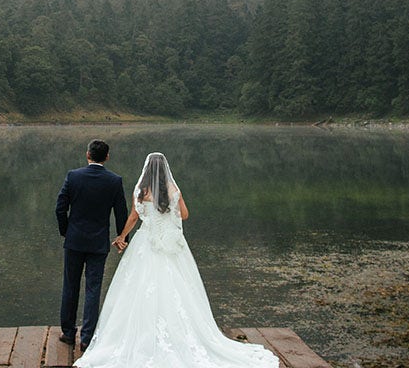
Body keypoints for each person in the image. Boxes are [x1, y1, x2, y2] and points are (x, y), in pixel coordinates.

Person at [74, 153, 278, 368]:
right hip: (170, 244)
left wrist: (122, 236)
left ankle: (137, 334)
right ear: (165, 170)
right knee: (177, 287)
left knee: (138, 286)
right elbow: (185, 215)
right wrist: (169, 214)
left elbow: (134, 217)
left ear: (147, 170)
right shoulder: (173, 190)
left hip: (146, 242)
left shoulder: (141, 190)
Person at [56, 139, 128, 351]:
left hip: (74, 240)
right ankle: (87, 338)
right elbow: (121, 212)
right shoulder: (114, 181)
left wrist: (66, 231)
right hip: (98, 242)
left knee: (70, 286)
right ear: (107, 157)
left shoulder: (73, 176)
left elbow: (60, 208)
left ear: (88, 155)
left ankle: (68, 333)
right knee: (93, 289)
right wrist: (123, 238)